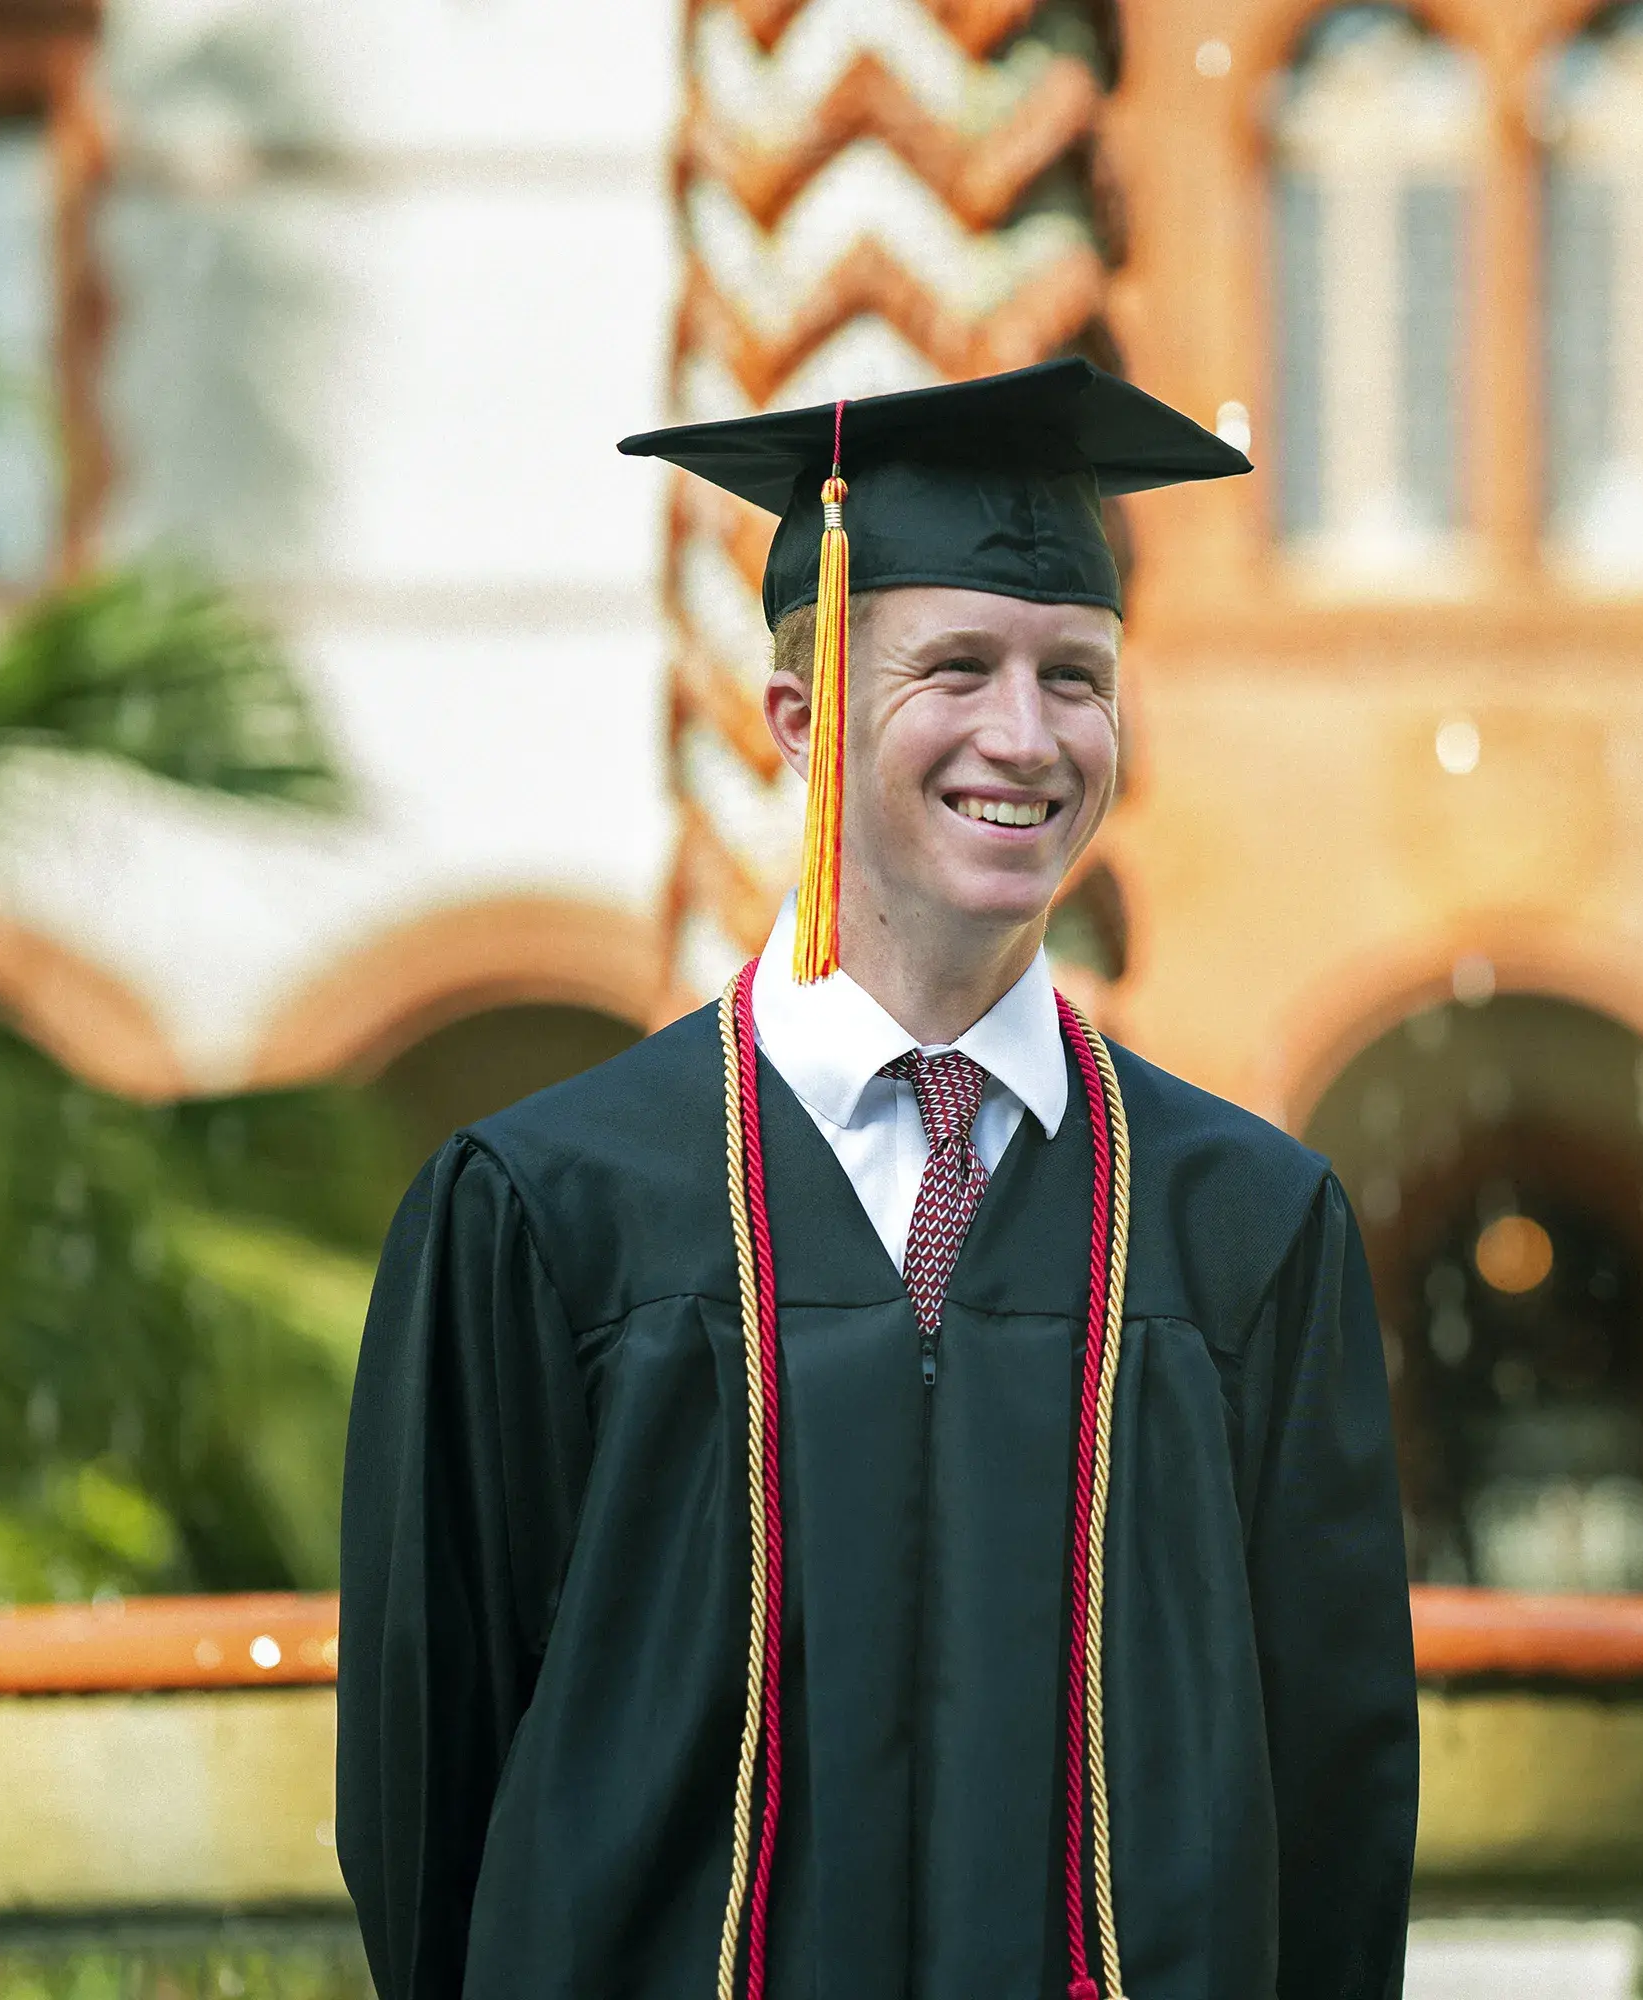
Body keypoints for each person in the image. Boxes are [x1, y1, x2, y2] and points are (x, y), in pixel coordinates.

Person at [335, 357, 1418, 2000]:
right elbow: (425, 1794)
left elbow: (1339, 1819)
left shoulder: (1244, 1235)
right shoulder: (546, 1213)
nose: (1025, 734)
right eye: (959, 667)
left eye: (1076, 675)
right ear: (800, 713)